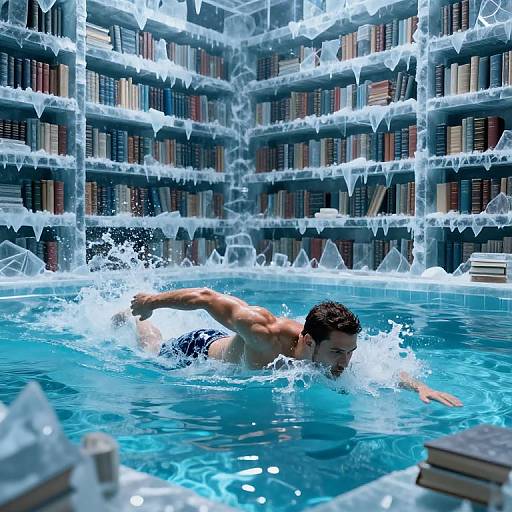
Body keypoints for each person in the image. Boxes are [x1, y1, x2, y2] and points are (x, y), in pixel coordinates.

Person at [116, 287, 462, 407]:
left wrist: (420, 386)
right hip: (199, 351)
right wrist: (152, 301)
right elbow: (207, 298)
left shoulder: (339, 348)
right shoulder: (265, 331)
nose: (346, 363)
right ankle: (134, 318)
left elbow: (384, 369)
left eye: (350, 353)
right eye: (338, 353)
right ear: (309, 341)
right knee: (151, 350)